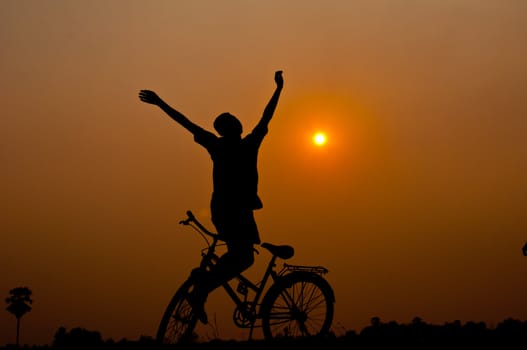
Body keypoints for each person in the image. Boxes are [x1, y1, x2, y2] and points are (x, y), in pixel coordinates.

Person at [138, 70, 284, 323]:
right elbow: (266, 116)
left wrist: (160, 102)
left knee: (240, 255)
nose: (236, 122)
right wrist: (278, 89)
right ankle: (202, 288)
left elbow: (186, 123)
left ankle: (202, 281)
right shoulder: (246, 144)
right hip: (235, 211)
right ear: (233, 128)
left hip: (227, 209)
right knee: (244, 257)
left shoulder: (220, 145)